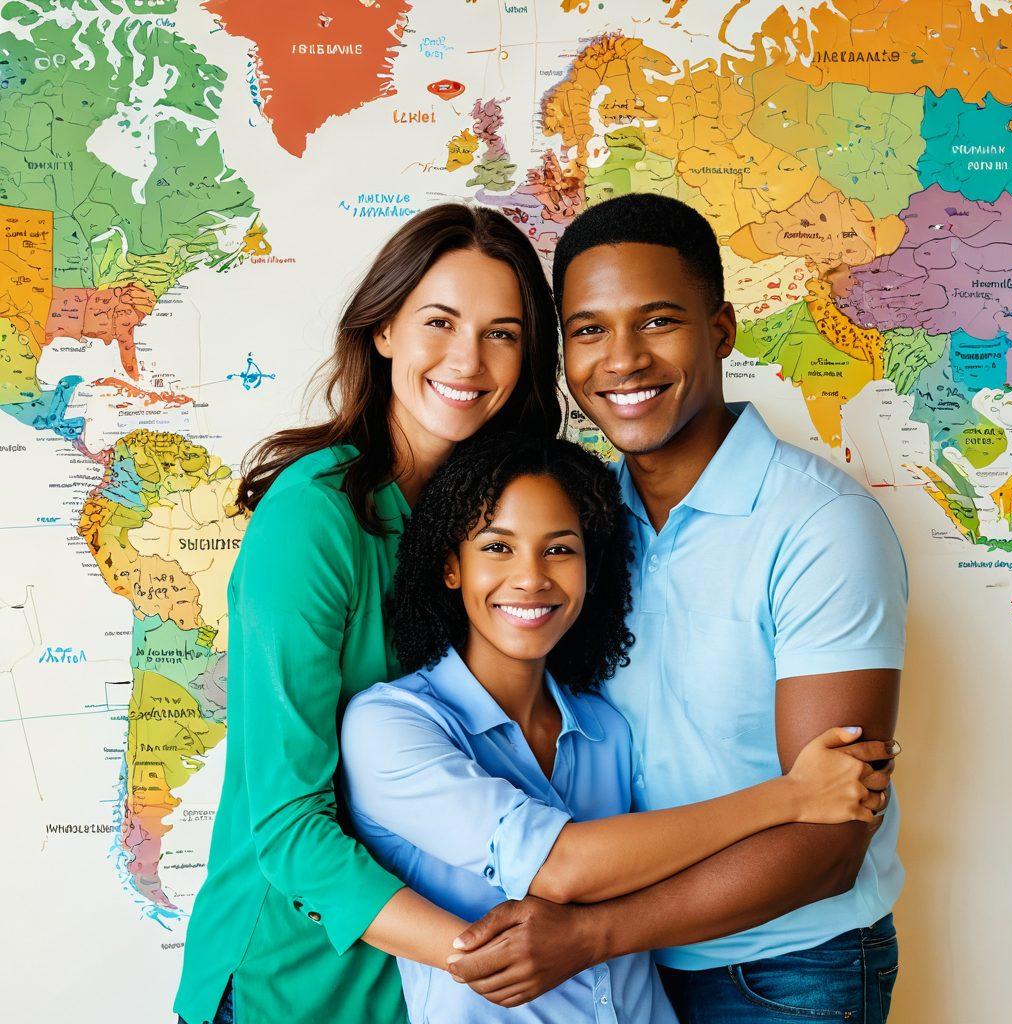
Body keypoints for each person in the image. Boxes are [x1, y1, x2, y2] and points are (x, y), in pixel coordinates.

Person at [447, 193, 907, 1024]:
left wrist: (593, 935)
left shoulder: (820, 525)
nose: (622, 360)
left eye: (657, 321)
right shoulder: (572, 531)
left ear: (721, 330)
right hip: (625, 978)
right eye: (589, 329)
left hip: (786, 969)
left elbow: (834, 837)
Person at [342, 433, 895, 1024]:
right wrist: (793, 794)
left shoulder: (607, 730)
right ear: (452, 567)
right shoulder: (391, 725)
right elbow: (560, 867)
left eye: (560, 550)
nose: (531, 578)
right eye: (497, 548)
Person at [173, 203, 563, 1024]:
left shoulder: (510, 528)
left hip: (431, 993)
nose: (470, 359)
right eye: (441, 322)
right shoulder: (315, 516)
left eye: (503, 333)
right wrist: (493, 959)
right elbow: (287, 826)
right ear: (383, 328)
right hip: (295, 980)